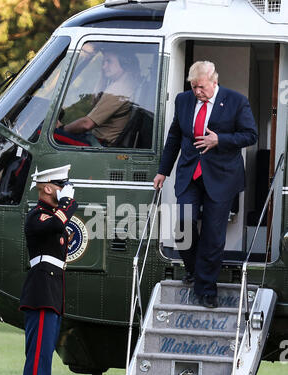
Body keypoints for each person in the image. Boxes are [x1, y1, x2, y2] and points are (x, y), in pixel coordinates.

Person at [154, 61, 257, 309]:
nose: (197, 92)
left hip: (221, 176)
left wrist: (219, 139)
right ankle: (196, 270)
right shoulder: (184, 100)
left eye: (200, 87)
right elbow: (175, 136)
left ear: (214, 81)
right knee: (182, 226)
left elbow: (250, 135)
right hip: (190, 173)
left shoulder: (236, 101)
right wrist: (163, 172)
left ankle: (207, 290)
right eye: (193, 86)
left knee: (213, 234)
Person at [20, 164, 77, 375]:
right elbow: (56, 224)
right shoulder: (37, 216)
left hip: (51, 292)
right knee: (38, 356)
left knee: (44, 356)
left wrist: (65, 205)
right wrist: (67, 204)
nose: (64, 190)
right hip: (41, 292)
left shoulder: (52, 216)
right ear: (46, 187)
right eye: (60, 185)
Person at [56, 45, 139, 147]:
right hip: (95, 139)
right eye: (103, 62)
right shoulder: (124, 85)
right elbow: (94, 103)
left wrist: (62, 128)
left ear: (124, 63)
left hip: (97, 144)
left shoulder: (118, 90)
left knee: (45, 133)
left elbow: (86, 124)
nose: (104, 66)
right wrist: (103, 79)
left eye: (109, 61)